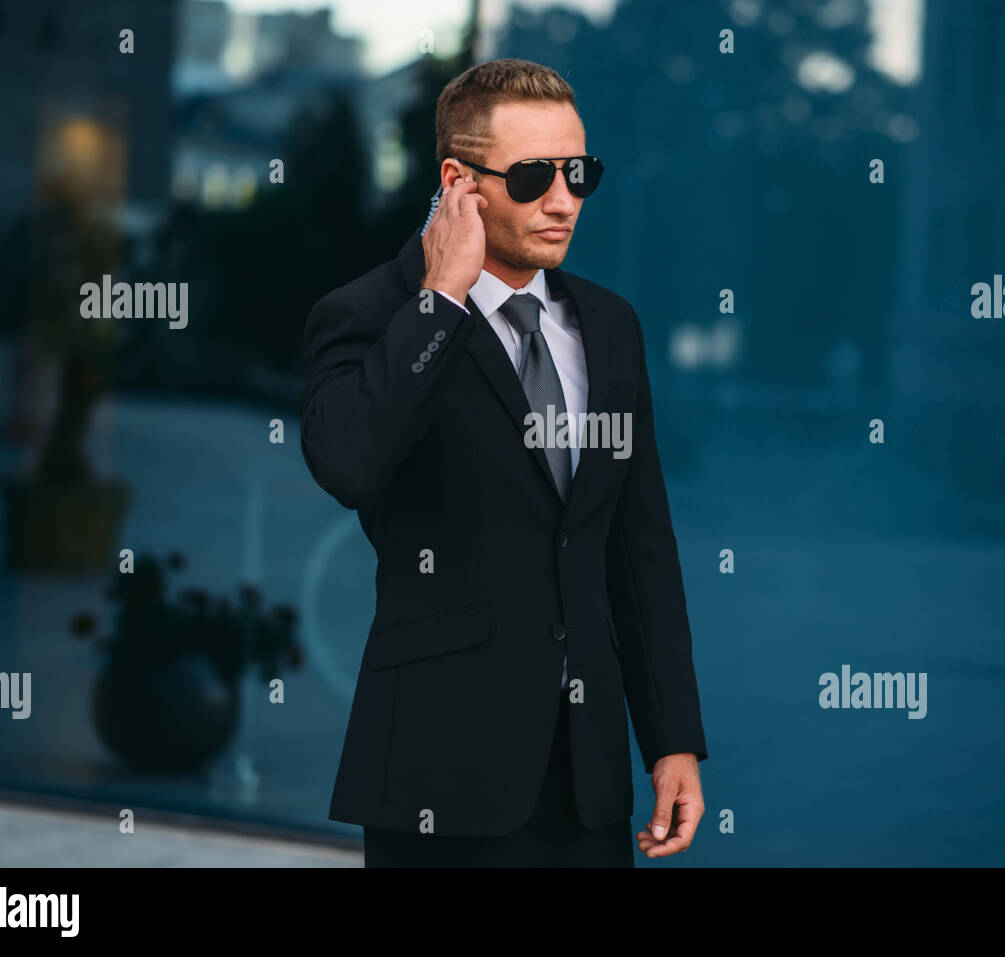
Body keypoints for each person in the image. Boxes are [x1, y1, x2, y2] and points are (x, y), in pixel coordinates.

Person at [299, 58, 707, 867]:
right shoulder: (369, 315)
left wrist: (672, 740)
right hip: (439, 777)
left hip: (586, 780)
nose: (563, 200)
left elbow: (638, 545)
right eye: (532, 176)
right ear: (460, 181)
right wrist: (441, 299)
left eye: (578, 172)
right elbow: (348, 461)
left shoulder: (611, 326)